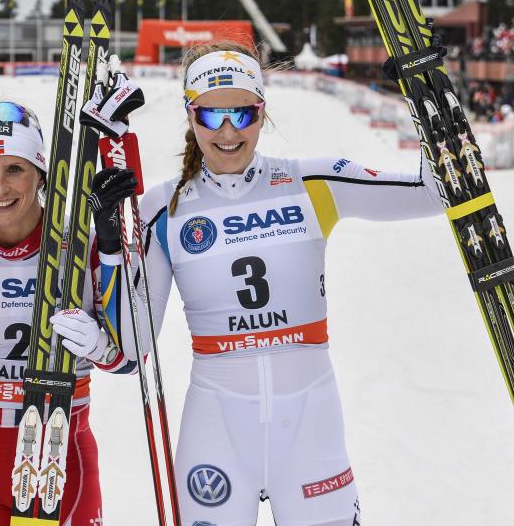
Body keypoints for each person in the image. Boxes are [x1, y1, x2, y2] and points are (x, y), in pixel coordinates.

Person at [116, 41, 443, 525]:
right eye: (210, 117)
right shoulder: (163, 208)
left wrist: (429, 97)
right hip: (216, 435)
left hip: (311, 430)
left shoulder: (313, 183)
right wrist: (106, 242)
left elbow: (436, 192)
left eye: (242, 115)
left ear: (262, 113)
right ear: (191, 116)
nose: (228, 132)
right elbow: (132, 342)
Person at [0, 99, 137, 525]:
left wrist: (97, 344)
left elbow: (130, 360)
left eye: (15, 169)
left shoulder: (82, 244)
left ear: (40, 173)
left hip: (60, 456)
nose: (0, 189)